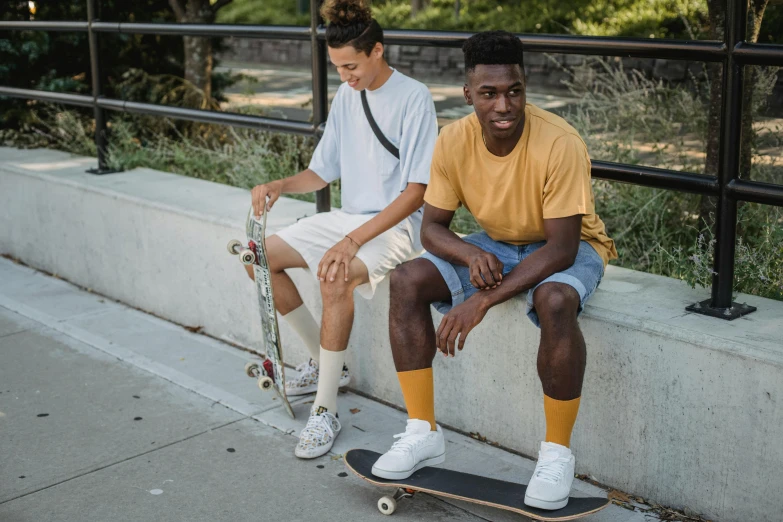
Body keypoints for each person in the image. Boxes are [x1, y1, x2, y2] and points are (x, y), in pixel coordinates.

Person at [371, 31, 617, 511]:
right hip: (497, 243)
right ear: (469, 95)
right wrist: (468, 255)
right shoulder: (453, 140)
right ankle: (422, 431)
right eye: (489, 94)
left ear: (524, 86)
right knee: (406, 280)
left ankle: (556, 454)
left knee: (555, 300)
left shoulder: (560, 142)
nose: (504, 105)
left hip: (568, 244)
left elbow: (563, 248)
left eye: (514, 90)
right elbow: (434, 229)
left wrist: (481, 298)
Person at [245, 0, 438, 459]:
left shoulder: (414, 97)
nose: (345, 76)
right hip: (351, 217)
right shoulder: (347, 95)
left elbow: (416, 192)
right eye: (337, 68)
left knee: (336, 273)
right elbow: (321, 172)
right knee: (258, 256)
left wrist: (353, 241)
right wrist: (279, 185)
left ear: (377, 51)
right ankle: (330, 364)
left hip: (396, 224)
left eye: (351, 66)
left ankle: (325, 410)